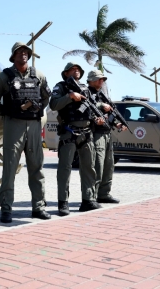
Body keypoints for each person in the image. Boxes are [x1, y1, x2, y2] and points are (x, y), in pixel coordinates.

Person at [0, 42, 51, 223]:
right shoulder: (4, 77)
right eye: (20, 52)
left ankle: (38, 207)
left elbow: (46, 97)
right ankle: (6, 209)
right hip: (13, 125)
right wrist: (5, 111)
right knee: (9, 169)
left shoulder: (38, 75)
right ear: (13, 55)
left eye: (26, 52)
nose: (23, 54)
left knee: (37, 168)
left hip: (33, 125)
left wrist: (36, 110)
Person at [49, 62, 99, 216]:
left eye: (78, 69)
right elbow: (53, 104)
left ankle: (88, 200)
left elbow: (92, 107)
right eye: (72, 69)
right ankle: (63, 203)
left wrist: (97, 118)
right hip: (69, 132)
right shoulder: (61, 87)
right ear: (66, 73)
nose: (76, 71)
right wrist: (70, 96)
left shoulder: (85, 88)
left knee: (88, 167)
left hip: (86, 132)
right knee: (64, 169)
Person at [86, 69, 126, 204]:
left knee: (109, 165)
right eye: (98, 79)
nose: (101, 81)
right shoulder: (87, 93)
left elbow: (110, 114)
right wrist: (102, 106)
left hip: (107, 133)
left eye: (102, 79)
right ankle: (92, 196)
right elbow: (87, 108)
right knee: (98, 165)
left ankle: (104, 193)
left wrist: (118, 124)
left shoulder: (103, 95)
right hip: (96, 134)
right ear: (91, 80)